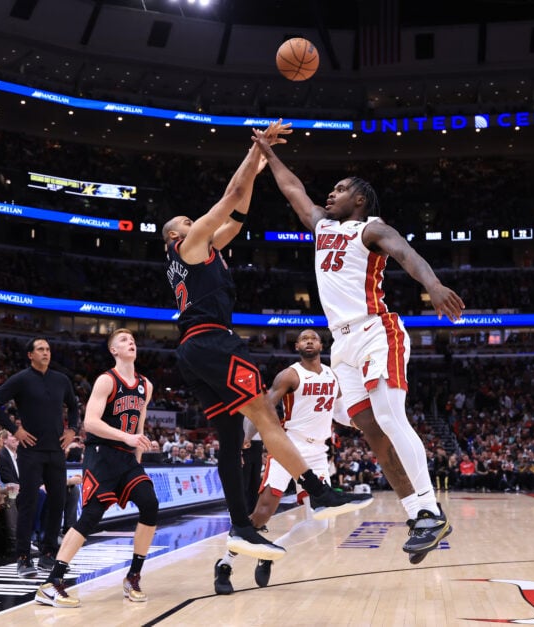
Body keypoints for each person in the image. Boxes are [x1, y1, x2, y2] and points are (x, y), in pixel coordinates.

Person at [162, 121, 372, 593]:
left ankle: (240, 525)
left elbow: (236, 212)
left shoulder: (201, 250)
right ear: (176, 235)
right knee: (264, 416)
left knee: (231, 438)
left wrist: (258, 162)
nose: (196, 220)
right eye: (187, 220)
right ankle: (318, 493)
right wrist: (253, 152)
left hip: (192, 351)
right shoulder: (190, 244)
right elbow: (230, 193)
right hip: (214, 342)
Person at [253, 127, 465, 563]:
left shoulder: (371, 228)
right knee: (370, 430)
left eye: (341, 189)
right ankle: (415, 514)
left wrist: (434, 284)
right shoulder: (321, 225)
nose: (331, 194)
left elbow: (406, 253)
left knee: (389, 415)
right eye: (331, 189)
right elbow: (293, 189)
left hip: (376, 330)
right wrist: (267, 153)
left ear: (360, 201)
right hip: (341, 346)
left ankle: (428, 508)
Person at [36, 328, 158, 608]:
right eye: (124, 341)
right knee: (91, 516)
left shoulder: (146, 386)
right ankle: (52, 582)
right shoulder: (106, 380)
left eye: (133, 341)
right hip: (101, 455)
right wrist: (126, 437)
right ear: (113, 350)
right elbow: (90, 423)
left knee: (150, 503)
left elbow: (138, 428)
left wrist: (136, 454)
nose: (131, 344)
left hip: (127, 459)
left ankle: (134, 576)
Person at [243, 328, 354, 590]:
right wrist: (247, 437)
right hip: (289, 447)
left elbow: (339, 412)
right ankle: (227, 560)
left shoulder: (332, 375)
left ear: (320, 344)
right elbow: (264, 408)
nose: (309, 341)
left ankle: (268, 553)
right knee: (263, 511)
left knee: (320, 524)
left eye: (313, 338)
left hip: (318, 453)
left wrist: (357, 423)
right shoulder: (290, 374)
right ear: (297, 347)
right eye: (304, 339)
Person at [0, 338, 80, 578]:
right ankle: (23, 557)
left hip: (56, 450)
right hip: (31, 450)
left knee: (58, 500)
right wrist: (15, 429)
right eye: (40, 349)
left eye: (48, 349)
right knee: (28, 502)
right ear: (30, 355)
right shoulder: (21, 379)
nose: (46, 353)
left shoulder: (61, 380)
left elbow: (75, 406)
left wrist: (72, 430)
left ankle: (49, 554)